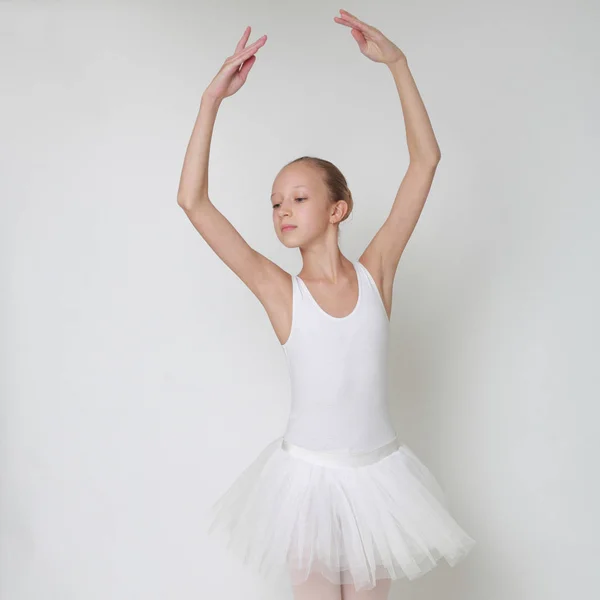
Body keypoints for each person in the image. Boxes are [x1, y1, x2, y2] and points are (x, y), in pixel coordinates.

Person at [177, 9, 476, 600]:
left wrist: (399, 65)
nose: (282, 210)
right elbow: (194, 203)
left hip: (379, 483)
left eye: (298, 196)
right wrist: (211, 102)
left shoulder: (376, 274)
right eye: (275, 202)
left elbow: (426, 163)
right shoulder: (277, 290)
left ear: (338, 208)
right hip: (307, 485)